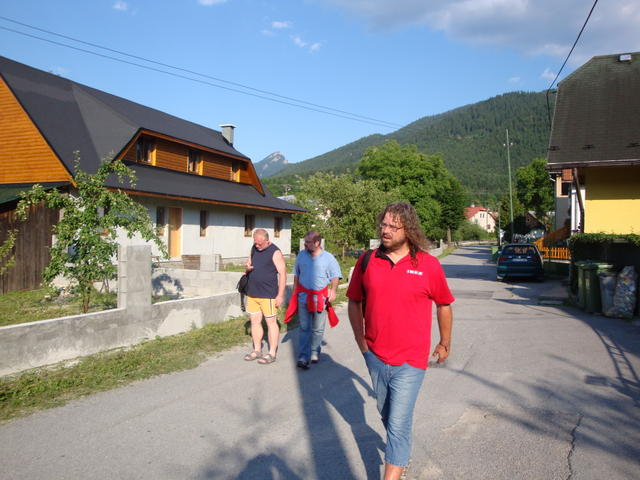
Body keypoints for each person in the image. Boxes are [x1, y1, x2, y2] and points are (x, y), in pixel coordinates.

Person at [346, 202, 454, 480]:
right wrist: (361, 342)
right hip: (375, 355)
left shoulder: (428, 264)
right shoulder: (367, 260)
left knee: (397, 422)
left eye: (393, 226)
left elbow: (444, 304)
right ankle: (402, 454)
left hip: (411, 360)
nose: (386, 230)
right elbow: (354, 301)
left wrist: (444, 342)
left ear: (409, 230)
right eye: (384, 224)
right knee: (387, 416)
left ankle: (394, 469)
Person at [286, 231, 342, 370]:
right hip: (303, 297)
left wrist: (333, 290)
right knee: (304, 327)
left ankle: (315, 351)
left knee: (317, 329)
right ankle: (303, 356)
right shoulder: (301, 255)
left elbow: (335, 275)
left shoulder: (328, 258)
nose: (305, 244)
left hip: (320, 299)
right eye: (305, 241)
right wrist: (294, 292)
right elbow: (297, 274)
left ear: (317, 243)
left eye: (308, 242)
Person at [243, 228, 286, 365]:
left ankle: (272, 353)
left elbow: (283, 274)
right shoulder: (254, 248)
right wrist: (247, 268)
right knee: (255, 321)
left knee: (271, 323)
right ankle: (257, 350)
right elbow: (248, 265)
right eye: (255, 243)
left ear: (267, 241)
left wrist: (280, 295)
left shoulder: (275, 252)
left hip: (268, 294)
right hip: (252, 293)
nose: (257, 245)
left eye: (259, 243)